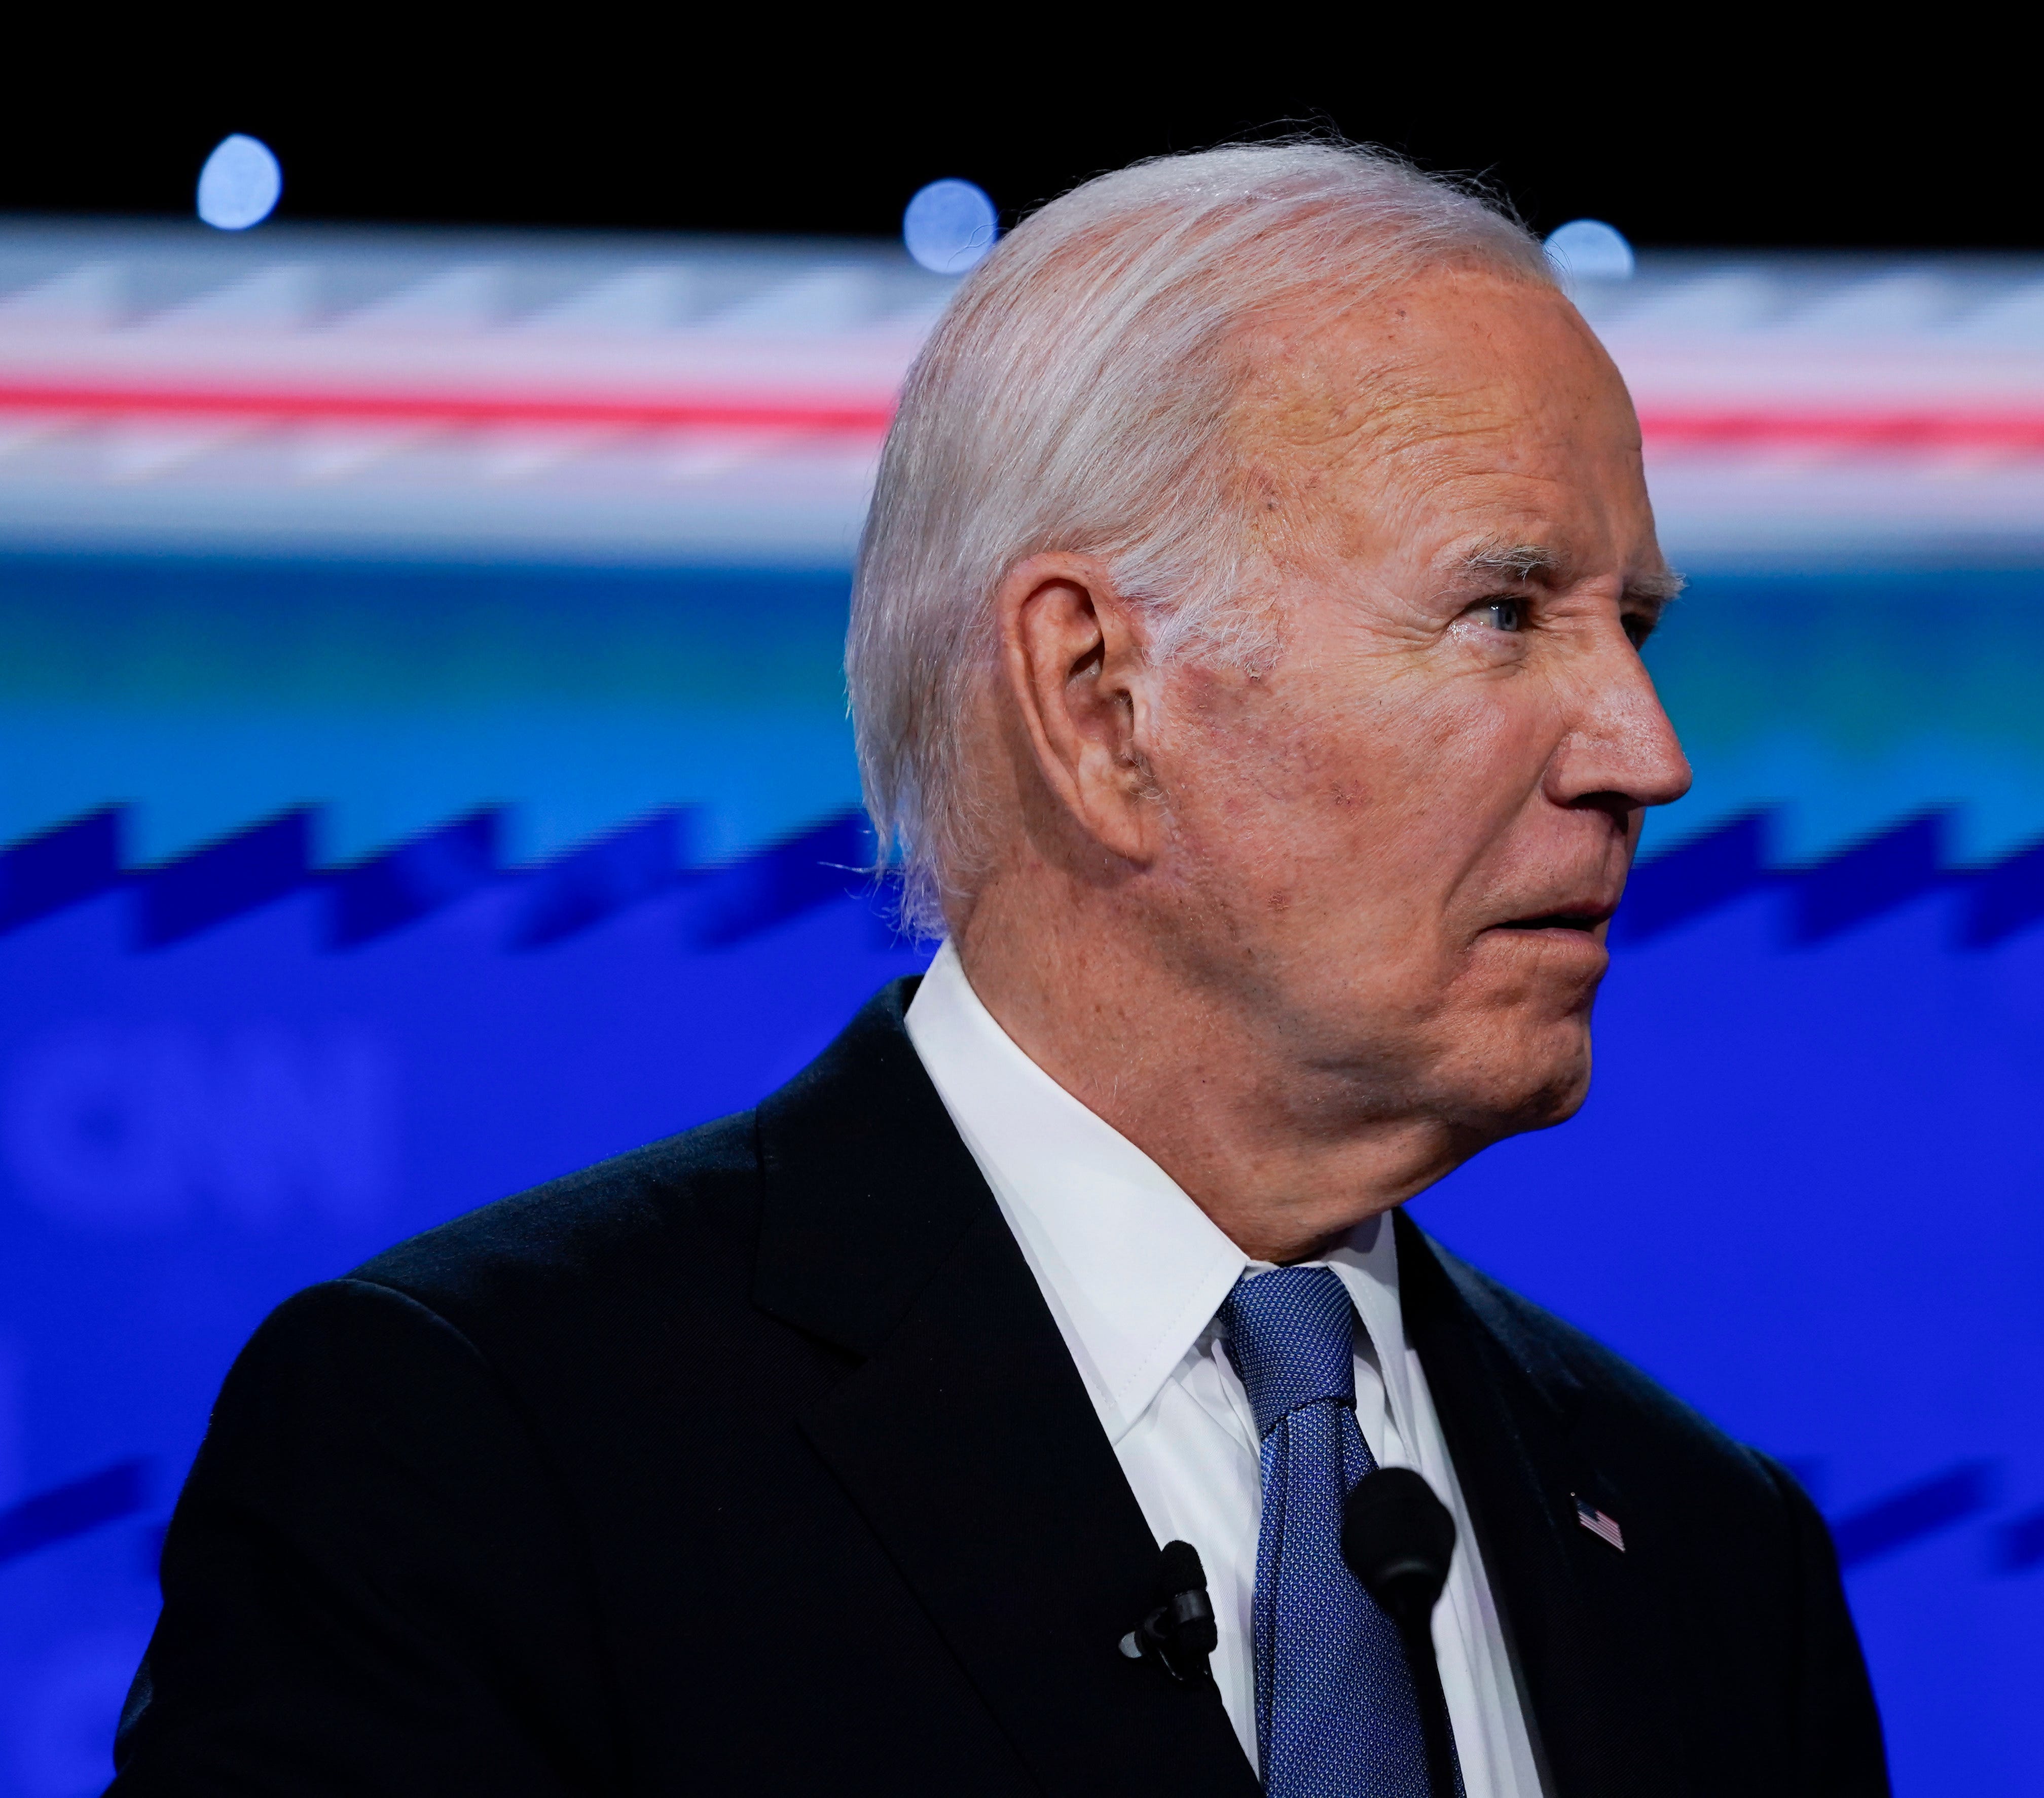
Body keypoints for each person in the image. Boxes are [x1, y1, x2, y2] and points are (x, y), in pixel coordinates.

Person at [111, 143, 1888, 1797]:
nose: (1644, 753)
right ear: (1099, 699)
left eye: (1631, 627)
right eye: (1504, 613)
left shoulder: (1714, 1553)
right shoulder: (479, 1454)